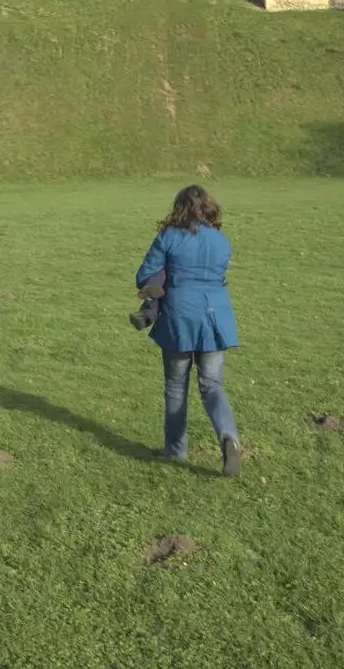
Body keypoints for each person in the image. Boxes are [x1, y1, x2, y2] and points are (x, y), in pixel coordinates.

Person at [134, 185, 242, 477]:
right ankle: (228, 435)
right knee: (212, 385)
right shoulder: (221, 240)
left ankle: (175, 449)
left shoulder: (169, 236)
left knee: (176, 386)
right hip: (215, 317)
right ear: (208, 208)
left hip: (179, 316)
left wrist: (158, 279)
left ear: (179, 207)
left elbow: (144, 275)